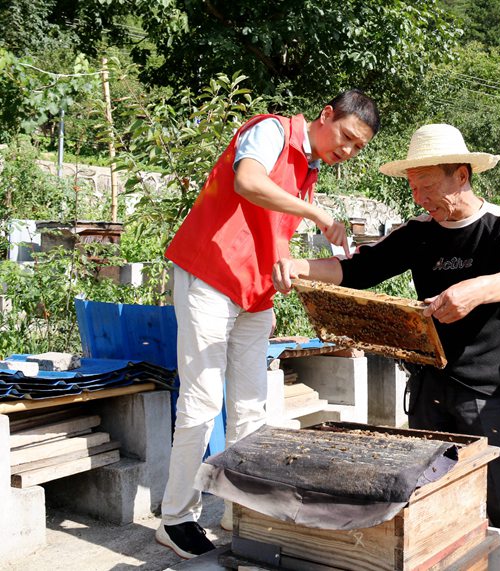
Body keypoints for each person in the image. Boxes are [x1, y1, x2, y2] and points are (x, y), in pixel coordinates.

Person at [273, 123, 500, 535]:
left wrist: (476, 290)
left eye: (428, 187)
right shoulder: (418, 232)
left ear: (462, 175)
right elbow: (358, 269)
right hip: (426, 389)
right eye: (414, 189)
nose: (420, 198)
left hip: (486, 396)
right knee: (431, 504)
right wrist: (301, 267)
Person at [156, 90, 380, 559]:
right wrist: (317, 213)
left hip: (254, 292)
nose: (348, 151)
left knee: (251, 409)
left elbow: (273, 228)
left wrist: (287, 267)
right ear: (325, 116)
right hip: (211, 276)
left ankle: (241, 511)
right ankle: (176, 517)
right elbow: (247, 181)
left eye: (358, 148)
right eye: (346, 137)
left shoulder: (311, 168)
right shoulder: (272, 131)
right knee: (200, 402)